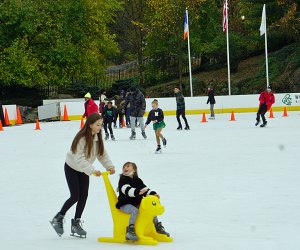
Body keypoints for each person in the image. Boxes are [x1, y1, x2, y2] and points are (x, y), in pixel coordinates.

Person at [50, 113, 115, 238]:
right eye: (97, 125)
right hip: (72, 168)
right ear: (90, 125)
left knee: (83, 196)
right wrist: (92, 170)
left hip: (83, 170)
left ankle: (76, 223)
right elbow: (78, 158)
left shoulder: (97, 137)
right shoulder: (81, 138)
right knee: (75, 196)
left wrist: (109, 166)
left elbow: (102, 154)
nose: (100, 127)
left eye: (101, 125)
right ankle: (58, 218)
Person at [116, 162, 170, 241]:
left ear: (134, 170)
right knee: (134, 211)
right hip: (124, 204)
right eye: (124, 167)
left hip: (136, 203)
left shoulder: (137, 180)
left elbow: (145, 189)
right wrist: (137, 192)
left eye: (127, 166)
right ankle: (130, 231)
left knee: (150, 209)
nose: (125, 168)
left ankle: (157, 227)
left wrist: (153, 194)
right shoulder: (123, 180)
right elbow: (126, 190)